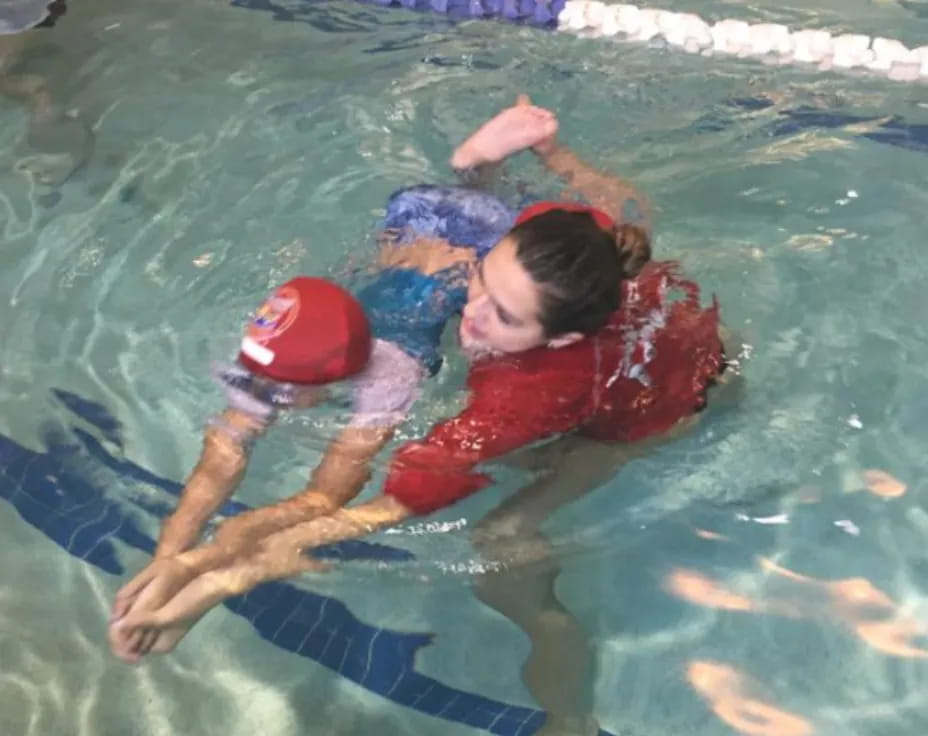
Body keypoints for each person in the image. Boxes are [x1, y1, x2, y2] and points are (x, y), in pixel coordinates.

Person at [108, 95, 725, 689]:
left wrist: (215, 580)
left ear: (556, 340)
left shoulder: (530, 390)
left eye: (505, 318)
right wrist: (553, 156)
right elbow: (615, 208)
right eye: (483, 281)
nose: (473, 316)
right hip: (658, 320)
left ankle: (568, 705)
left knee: (500, 544)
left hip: (661, 404)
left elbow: (391, 504)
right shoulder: (557, 243)